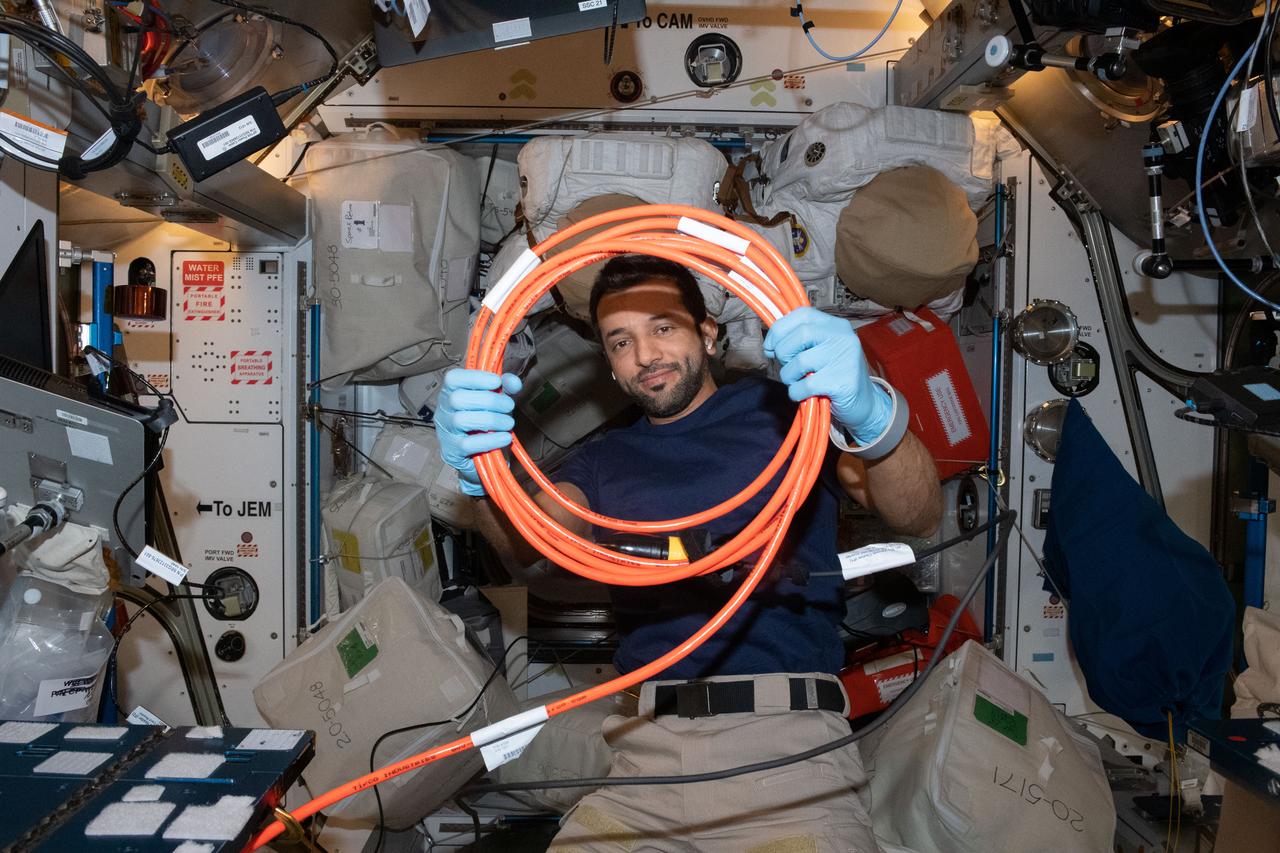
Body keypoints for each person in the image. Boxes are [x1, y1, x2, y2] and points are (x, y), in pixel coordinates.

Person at [435, 254, 943, 852]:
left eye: (663, 328)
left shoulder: (791, 414)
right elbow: (530, 544)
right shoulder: (602, 461)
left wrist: (873, 416)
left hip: (790, 758)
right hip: (645, 762)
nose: (644, 354)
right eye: (620, 341)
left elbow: (919, 514)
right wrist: (481, 476)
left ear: (707, 332)